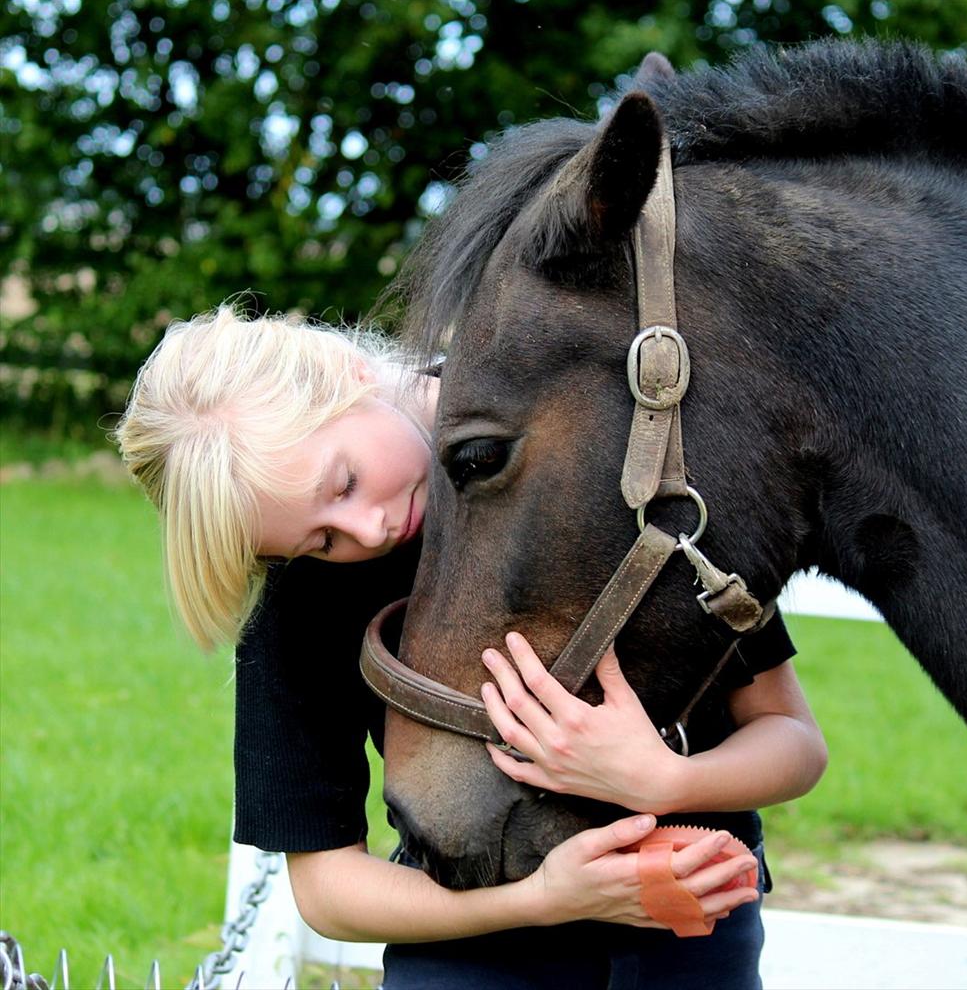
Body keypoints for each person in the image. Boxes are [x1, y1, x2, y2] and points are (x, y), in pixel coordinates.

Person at [115, 303, 828, 989]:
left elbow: (792, 738)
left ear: (350, 373)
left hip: (697, 933)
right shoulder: (303, 589)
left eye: (346, 481)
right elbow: (328, 888)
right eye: (321, 538)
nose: (368, 530)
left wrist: (662, 780)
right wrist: (545, 897)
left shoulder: (596, 443)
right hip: (475, 959)